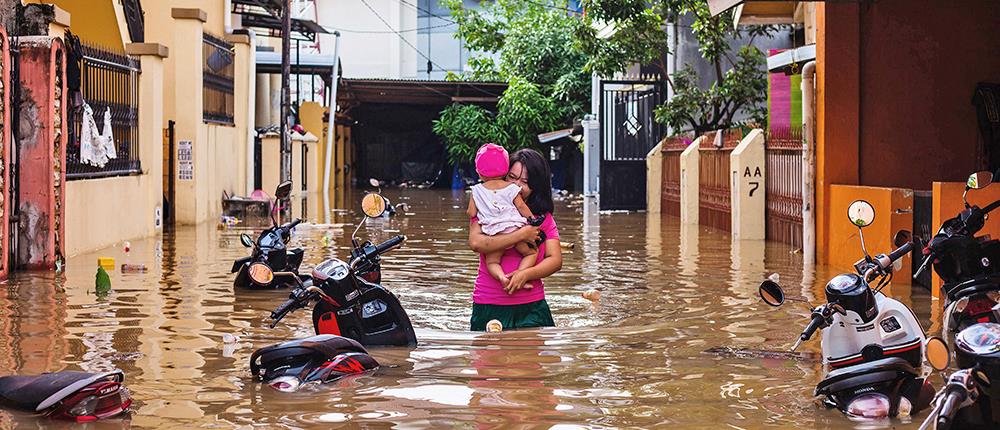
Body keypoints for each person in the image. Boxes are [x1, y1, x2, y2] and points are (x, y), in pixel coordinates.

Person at [468, 148, 562, 331]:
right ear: (503, 175)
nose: (518, 186)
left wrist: (525, 274)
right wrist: (520, 235)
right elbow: (476, 243)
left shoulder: (542, 218)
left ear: (537, 185)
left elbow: (555, 260)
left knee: (532, 359)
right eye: (512, 177)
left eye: (525, 181)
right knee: (487, 359)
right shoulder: (485, 211)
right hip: (489, 303)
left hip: (532, 305)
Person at [467, 143, 542, 287]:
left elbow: (471, 213)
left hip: (493, 233)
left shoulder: (476, 191)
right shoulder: (512, 188)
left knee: (492, 261)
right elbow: (521, 206)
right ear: (506, 171)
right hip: (514, 227)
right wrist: (533, 221)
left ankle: (503, 278)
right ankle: (520, 276)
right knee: (531, 253)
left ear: (479, 173)